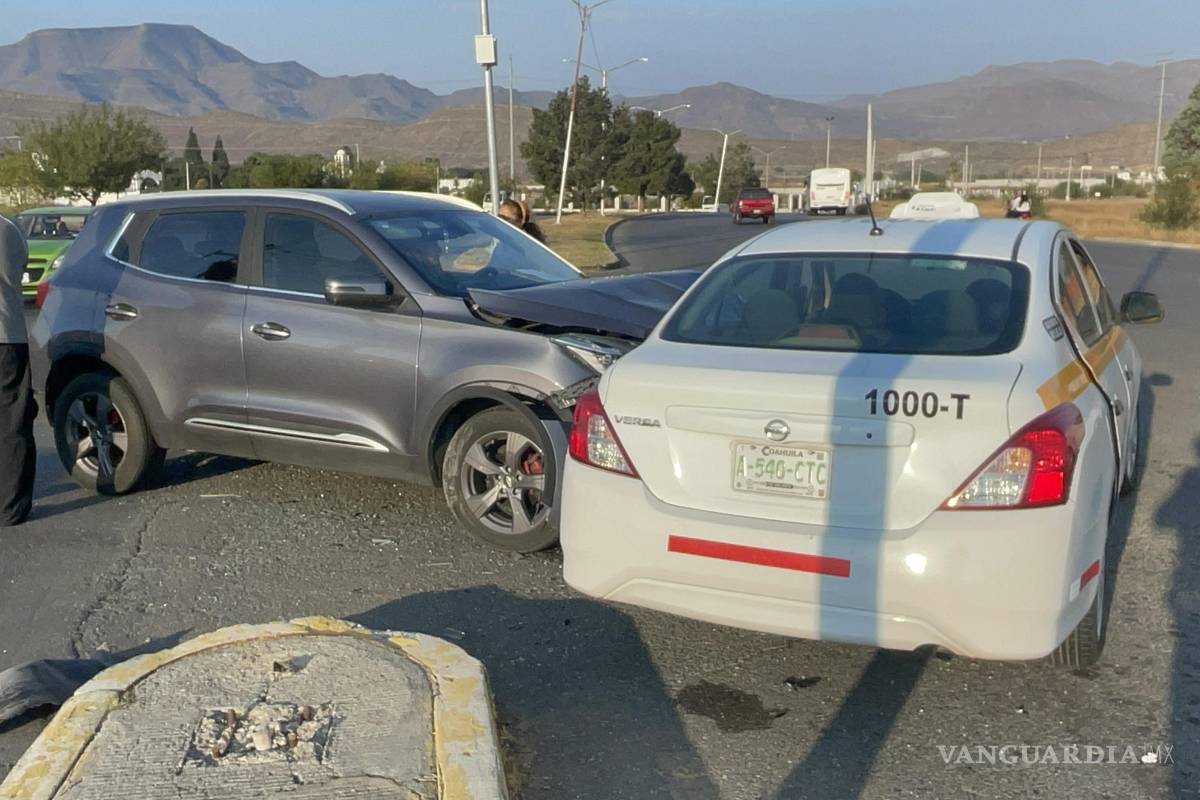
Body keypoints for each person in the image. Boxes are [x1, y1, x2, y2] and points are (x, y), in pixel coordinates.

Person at [0, 214, 35, 526]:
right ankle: (10, 506)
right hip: (5, 335)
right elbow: (16, 272)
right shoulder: (7, 228)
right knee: (12, 419)